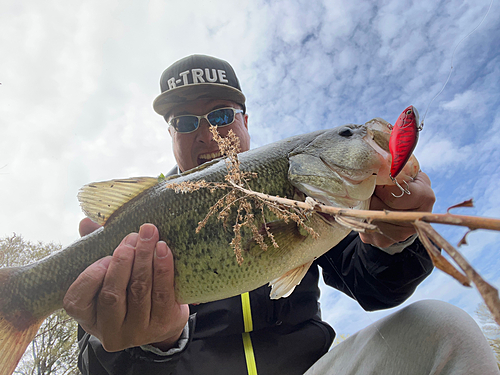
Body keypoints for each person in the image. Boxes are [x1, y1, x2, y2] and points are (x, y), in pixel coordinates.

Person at [63, 55, 499, 374]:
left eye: (220, 115)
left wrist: (398, 238)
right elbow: (92, 363)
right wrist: (148, 346)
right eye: (185, 121)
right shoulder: (135, 224)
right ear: (170, 133)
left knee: (443, 329)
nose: (209, 133)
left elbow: (375, 288)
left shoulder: (310, 192)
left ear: (246, 121)